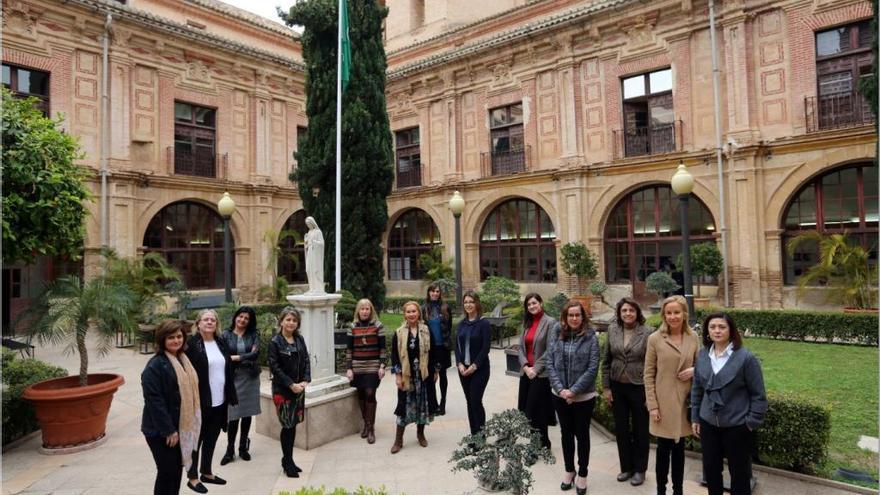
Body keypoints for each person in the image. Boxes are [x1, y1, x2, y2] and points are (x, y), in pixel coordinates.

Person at [692, 312, 768, 495]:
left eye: (722, 327)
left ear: (731, 330)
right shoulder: (702, 356)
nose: (717, 331)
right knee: (711, 470)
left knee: (739, 474)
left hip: (737, 426)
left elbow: (758, 395)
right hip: (708, 423)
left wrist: (750, 423)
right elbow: (697, 389)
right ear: (707, 332)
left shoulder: (745, 358)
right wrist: (695, 417)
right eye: (712, 327)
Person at [644, 295, 699, 495]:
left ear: (684, 314)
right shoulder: (655, 339)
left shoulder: (693, 337)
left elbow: (702, 366)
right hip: (663, 404)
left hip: (685, 403)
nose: (673, 317)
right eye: (668, 313)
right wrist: (653, 406)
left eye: (677, 312)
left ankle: (678, 490)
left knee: (679, 450)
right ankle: (660, 490)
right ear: (663, 315)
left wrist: (694, 370)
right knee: (663, 450)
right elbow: (648, 374)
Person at [142, 320, 201, 495]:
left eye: (179, 336)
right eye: (171, 338)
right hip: (161, 432)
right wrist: (169, 430)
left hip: (180, 427)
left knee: (176, 472)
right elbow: (154, 401)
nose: (176, 341)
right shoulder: (155, 366)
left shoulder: (183, 359)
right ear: (162, 340)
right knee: (167, 473)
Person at [546, 300, 599, 495]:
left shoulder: (591, 338)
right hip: (559, 396)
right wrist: (561, 390)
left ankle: (583, 473)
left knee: (582, 435)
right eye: (571, 315)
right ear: (565, 317)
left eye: (578, 315)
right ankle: (569, 470)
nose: (574, 318)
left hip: (583, 397)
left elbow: (593, 368)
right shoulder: (557, 334)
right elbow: (550, 363)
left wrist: (574, 391)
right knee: (566, 435)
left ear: (583, 317)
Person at [184, 310, 238, 493]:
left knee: (212, 438)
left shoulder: (221, 343)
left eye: (213, 320)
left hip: (219, 400)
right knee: (196, 440)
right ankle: (192, 477)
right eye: (205, 319)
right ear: (198, 324)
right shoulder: (191, 346)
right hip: (201, 401)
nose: (209, 322)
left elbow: (227, 369)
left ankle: (206, 471)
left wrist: (231, 394)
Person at [602, 297, 652, 486]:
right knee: (621, 430)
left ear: (637, 312)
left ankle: (640, 469)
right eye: (624, 311)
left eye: (631, 310)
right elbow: (606, 360)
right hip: (617, 387)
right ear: (619, 313)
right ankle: (626, 467)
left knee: (640, 431)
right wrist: (606, 387)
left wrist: (650, 393)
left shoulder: (647, 332)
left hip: (639, 387)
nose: (628, 314)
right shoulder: (612, 329)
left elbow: (651, 364)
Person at [390, 301, 439, 453]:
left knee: (422, 406)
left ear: (419, 313)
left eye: (414, 311)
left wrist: (436, 371)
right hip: (407, 375)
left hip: (423, 374)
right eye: (408, 312)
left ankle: (420, 434)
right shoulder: (399, 333)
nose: (411, 314)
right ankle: (398, 440)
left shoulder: (426, 330)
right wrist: (398, 376)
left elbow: (434, 351)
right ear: (404, 314)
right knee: (404, 407)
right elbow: (394, 356)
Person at [268, 306, 311, 477]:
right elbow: (275, 367)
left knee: (293, 425)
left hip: (299, 388)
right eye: (288, 320)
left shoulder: (299, 339)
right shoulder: (275, 342)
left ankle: (288, 460)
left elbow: (306, 359)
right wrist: (290, 384)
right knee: (287, 425)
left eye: (294, 320)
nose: (291, 323)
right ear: (281, 321)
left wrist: (306, 379)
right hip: (283, 391)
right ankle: (288, 462)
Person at [517, 292, 559, 449]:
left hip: (541, 374)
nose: (532, 306)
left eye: (534, 303)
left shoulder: (550, 322)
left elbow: (551, 349)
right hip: (526, 372)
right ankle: (541, 443)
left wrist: (536, 368)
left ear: (541, 303)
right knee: (528, 411)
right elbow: (520, 347)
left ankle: (539, 445)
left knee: (535, 410)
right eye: (528, 305)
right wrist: (526, 366)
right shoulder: (526, 323)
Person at [220, 306, 261, 466]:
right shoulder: (225, 335)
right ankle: (230, 450)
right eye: (241, 316)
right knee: (234, 415)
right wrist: (244, 357)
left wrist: (236, 357)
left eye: (246, 318)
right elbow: (224, 356)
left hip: (250, 377)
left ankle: (243, 447)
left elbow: (256, 354)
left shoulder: (253, 334)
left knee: (247, 413)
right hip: (233, 378)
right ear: (235, 317)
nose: (243, 320)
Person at [346, 298, 387, 444]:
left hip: (373, 365)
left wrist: (382, 366)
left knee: (370, 393)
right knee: (362, 395)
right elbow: (349, 350)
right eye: (362, 309)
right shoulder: (352, 327)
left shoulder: (378, 326)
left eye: (367, 309)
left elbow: (383, 348)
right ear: (358, 310)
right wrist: (349, 368)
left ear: (371, 311)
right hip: (358, 366)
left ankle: (371, 429)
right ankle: (366, 424)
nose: (365, 311)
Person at [455, 290, 492, 436]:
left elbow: (485, 348)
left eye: (471, 302)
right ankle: (474, 436)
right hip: (463, 369)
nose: (468, 305)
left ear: (477, 303)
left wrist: (473, 366)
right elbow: (456, 345)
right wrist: (459, 363)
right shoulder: (461, 324)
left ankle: (481, 436)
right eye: (466, 302)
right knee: (469, 402)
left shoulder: (484, 323)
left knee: (476, 401)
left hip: (480, 369)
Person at [421, 282, 453, 415]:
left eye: (437, 291)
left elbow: (449, 327)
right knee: (429, 376)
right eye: (432, 291)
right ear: (429, 293)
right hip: (429, 348)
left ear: (440, 294)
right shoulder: (424, 308)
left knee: (443, 375)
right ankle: (432, 404)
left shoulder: (445, 308)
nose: (435, 293)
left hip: (442, 347)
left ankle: (443, 403)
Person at [304, 216, 325, 294]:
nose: (308, 226)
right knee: (308, 270)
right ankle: (312, 288)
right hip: (310, 253)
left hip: (315, 255)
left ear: (312, 223)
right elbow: (307, 245)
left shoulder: (318, 232)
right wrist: (306, 242)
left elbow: (322, 244)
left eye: (309, 224)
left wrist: (314, 242)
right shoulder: (309, 232)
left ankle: (318, 288)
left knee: (315, 270)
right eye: (307, 224)